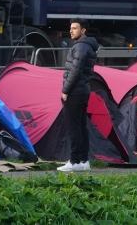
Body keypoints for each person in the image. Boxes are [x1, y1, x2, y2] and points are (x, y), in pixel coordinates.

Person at [57, 18, 99, 172]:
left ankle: (74, 161)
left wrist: (65, 90)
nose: (71, 30)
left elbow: (75, 71)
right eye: (71, 28)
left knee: (73, 127)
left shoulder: (81, 47)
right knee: (81, 126)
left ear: (83, 31)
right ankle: (83, 161)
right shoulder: (87, 46)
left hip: (75, 91)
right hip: (83, 90)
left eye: (75, 28)